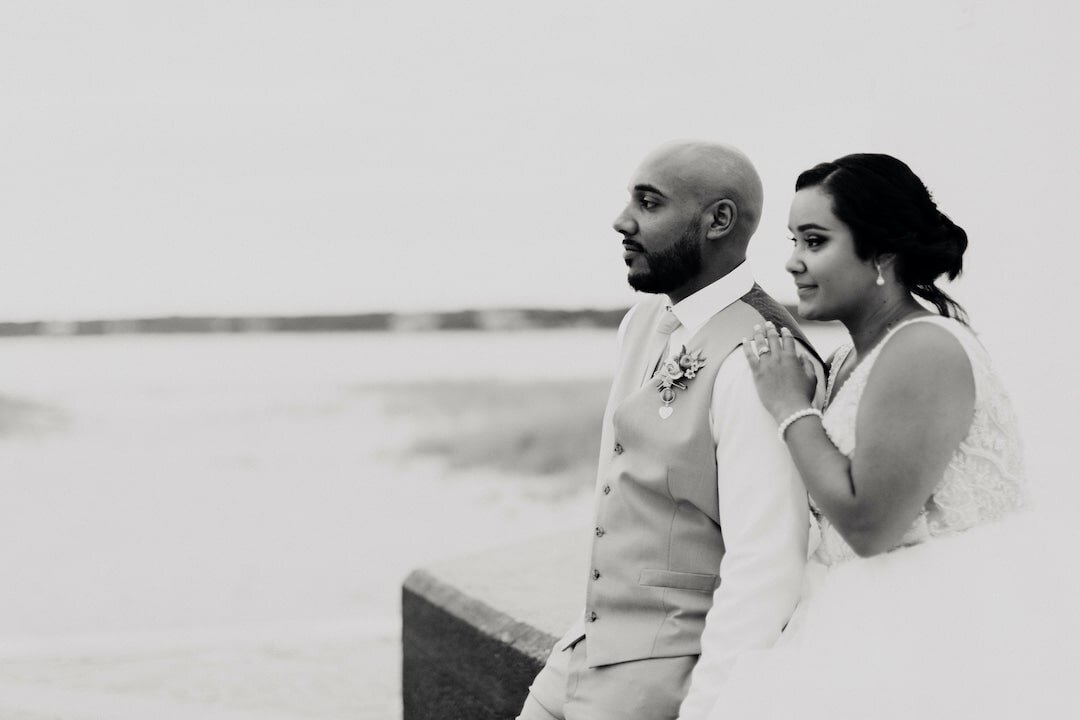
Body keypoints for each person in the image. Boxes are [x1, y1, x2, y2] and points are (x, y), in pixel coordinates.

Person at [706, 153, 1078, 718]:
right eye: (793, 240)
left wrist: (788, 408)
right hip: (845, 612)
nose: (792, 262)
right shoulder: (846, 354)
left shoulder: (923, 348)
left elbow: (870, 524)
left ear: (882, 253)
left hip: (938, 631)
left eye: (814, 241)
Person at [515, 140, 825, 720]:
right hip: (584, 653)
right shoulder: (641, 323)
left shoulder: (759, 355)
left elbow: (767, 562)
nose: (622, 220)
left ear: (718, 221)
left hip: (667, 678)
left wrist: (709, 708)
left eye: (649, 203)